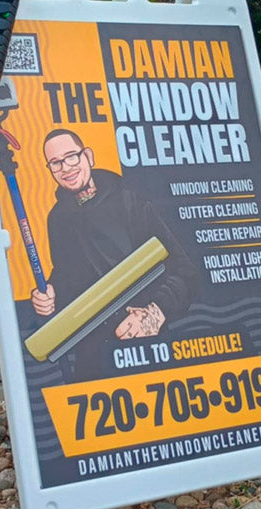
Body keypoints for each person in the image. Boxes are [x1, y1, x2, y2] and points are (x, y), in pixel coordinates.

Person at [30, 128, 197, 372]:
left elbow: (185, 271)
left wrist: (157, 311)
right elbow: (69, 277)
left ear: (88, 156)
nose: (65, 167)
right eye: (55, 163)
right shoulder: (57, 218)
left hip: (145, 342)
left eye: (71, 157)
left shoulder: (131, 200)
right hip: (92, 353)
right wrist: (50, 294)